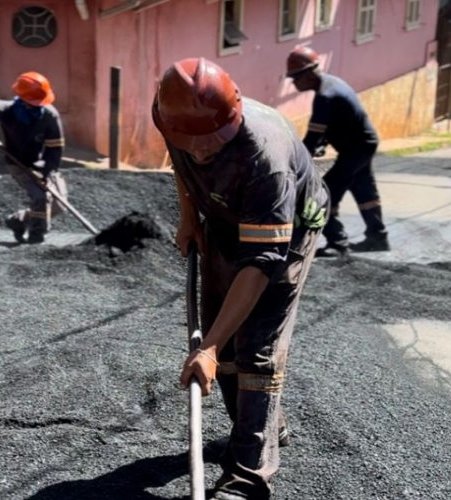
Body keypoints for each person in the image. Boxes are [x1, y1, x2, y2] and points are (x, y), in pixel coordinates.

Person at [153, 57, 329, 500]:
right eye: (189, 142)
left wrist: (207, 348)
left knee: (255, 346)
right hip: (221, 214)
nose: (199, 152)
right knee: (223, 336)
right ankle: (266, 425)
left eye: (209, 146)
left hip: (286, 231)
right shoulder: (171, 114)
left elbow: (262, 260)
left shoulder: (263, 158)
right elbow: (181, 158)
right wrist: (189, 215)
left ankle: (247, 478)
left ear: (230, 120)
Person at [286, 46, 389, 257]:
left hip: (356, 148)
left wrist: (297, 165)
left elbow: (312, 139)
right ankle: (378, 237)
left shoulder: (326, 95)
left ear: (310, 72)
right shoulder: (331, 84)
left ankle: (338, 241)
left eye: (296, 76)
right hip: (362, 145)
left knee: (325, 194)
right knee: (364, 190)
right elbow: (329, 127)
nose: (294, 82)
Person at [0, 71, 67, 244]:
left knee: (58, 205)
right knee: (40, 198)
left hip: (43, 163)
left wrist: (47, 173)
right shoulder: (6, 110)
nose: (40, 106)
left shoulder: (49, 115)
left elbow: (55, 148)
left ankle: (18, 220)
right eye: (35, 103)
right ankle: (36, 237)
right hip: (18, 162)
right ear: (23, 99)